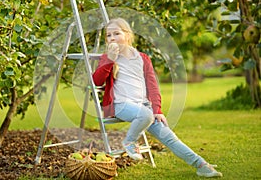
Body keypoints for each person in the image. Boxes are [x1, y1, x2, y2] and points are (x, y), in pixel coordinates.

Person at [92, 17, 223, 178]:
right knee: (145, 114)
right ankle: (129, 142)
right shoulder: (108, 58)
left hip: (143, 108)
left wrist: (157, 110)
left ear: (127, 35)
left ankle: (201, 164)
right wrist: (110, 60)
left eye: (116, 33)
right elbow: (96, 81)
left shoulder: (142, 58)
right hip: (121, 106)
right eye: (108, 35)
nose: (111, 38)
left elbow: (153, 86)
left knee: (169, 137)